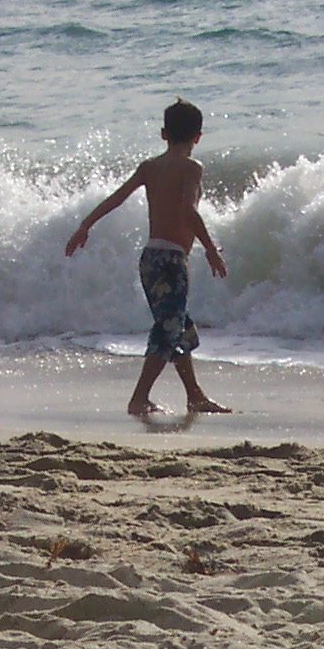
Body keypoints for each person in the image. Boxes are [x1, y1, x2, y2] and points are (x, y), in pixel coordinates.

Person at [64, 98, 231, 417]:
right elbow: (188, 212)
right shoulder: (192, 168)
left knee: (176, 326)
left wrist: (85, 225)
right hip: (171, 261)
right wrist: (209, 249)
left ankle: (194, 395)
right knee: (168, 328)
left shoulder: (150, 167)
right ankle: (139, 398)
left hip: (150, 258)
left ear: (163, 133)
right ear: (199, 136)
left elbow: (117, 198)